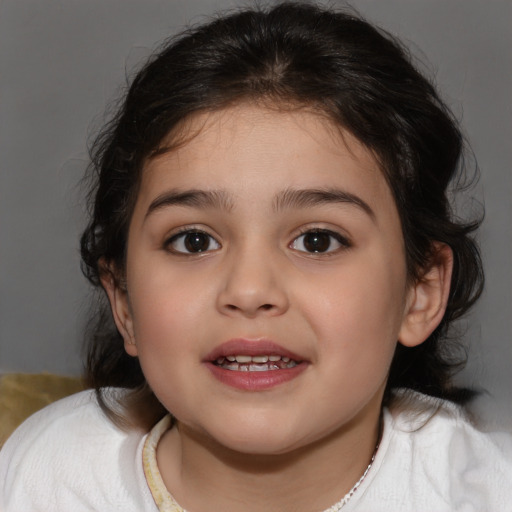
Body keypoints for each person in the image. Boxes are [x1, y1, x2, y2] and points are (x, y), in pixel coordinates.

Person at [1, 2, 510, 510]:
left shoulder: (486, 488)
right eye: (194, 241)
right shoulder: (52, 475)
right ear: (125, 302)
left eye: (318, 240)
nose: (248, 290)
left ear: (419, 292)